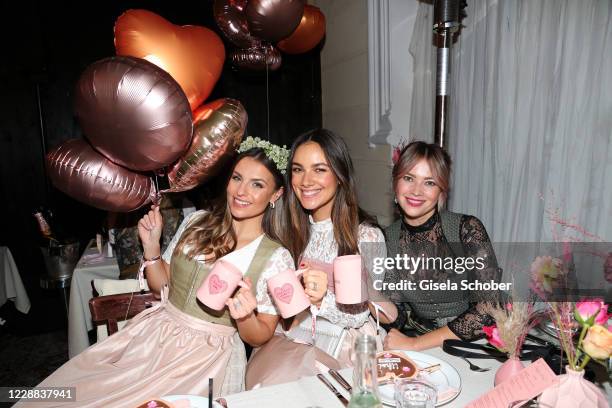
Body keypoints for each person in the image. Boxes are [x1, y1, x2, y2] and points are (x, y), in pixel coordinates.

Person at [19, 142, 294, 407]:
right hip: (155, 337)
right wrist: (152, 248)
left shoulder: (276, 257)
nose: (241, 191)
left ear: (276, 195)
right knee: (82, 393)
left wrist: (244, 315)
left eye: (257, 184)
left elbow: (261, 336)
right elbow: (161, 284)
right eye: (237, 178)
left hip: (207, 359)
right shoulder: (196, 222)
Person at [245, 129, 388, 387]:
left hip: (344, 345)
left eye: (320, 169)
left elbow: (358, 316)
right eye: (298, 170)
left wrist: (322, 299)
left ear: (340, 175)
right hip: (294, 336)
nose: (306, 181)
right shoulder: (289, 231)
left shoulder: (366, 236)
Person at [379, 141, 501, 351]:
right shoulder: (387, 238)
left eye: (429, 182)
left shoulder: (467, 229)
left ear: (441, 190)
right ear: (395, 183)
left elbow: (488, 309)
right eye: (408, 178)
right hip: (420, 347)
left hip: (473, 345)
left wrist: (415, 344)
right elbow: (397, 317)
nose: (416, 191)